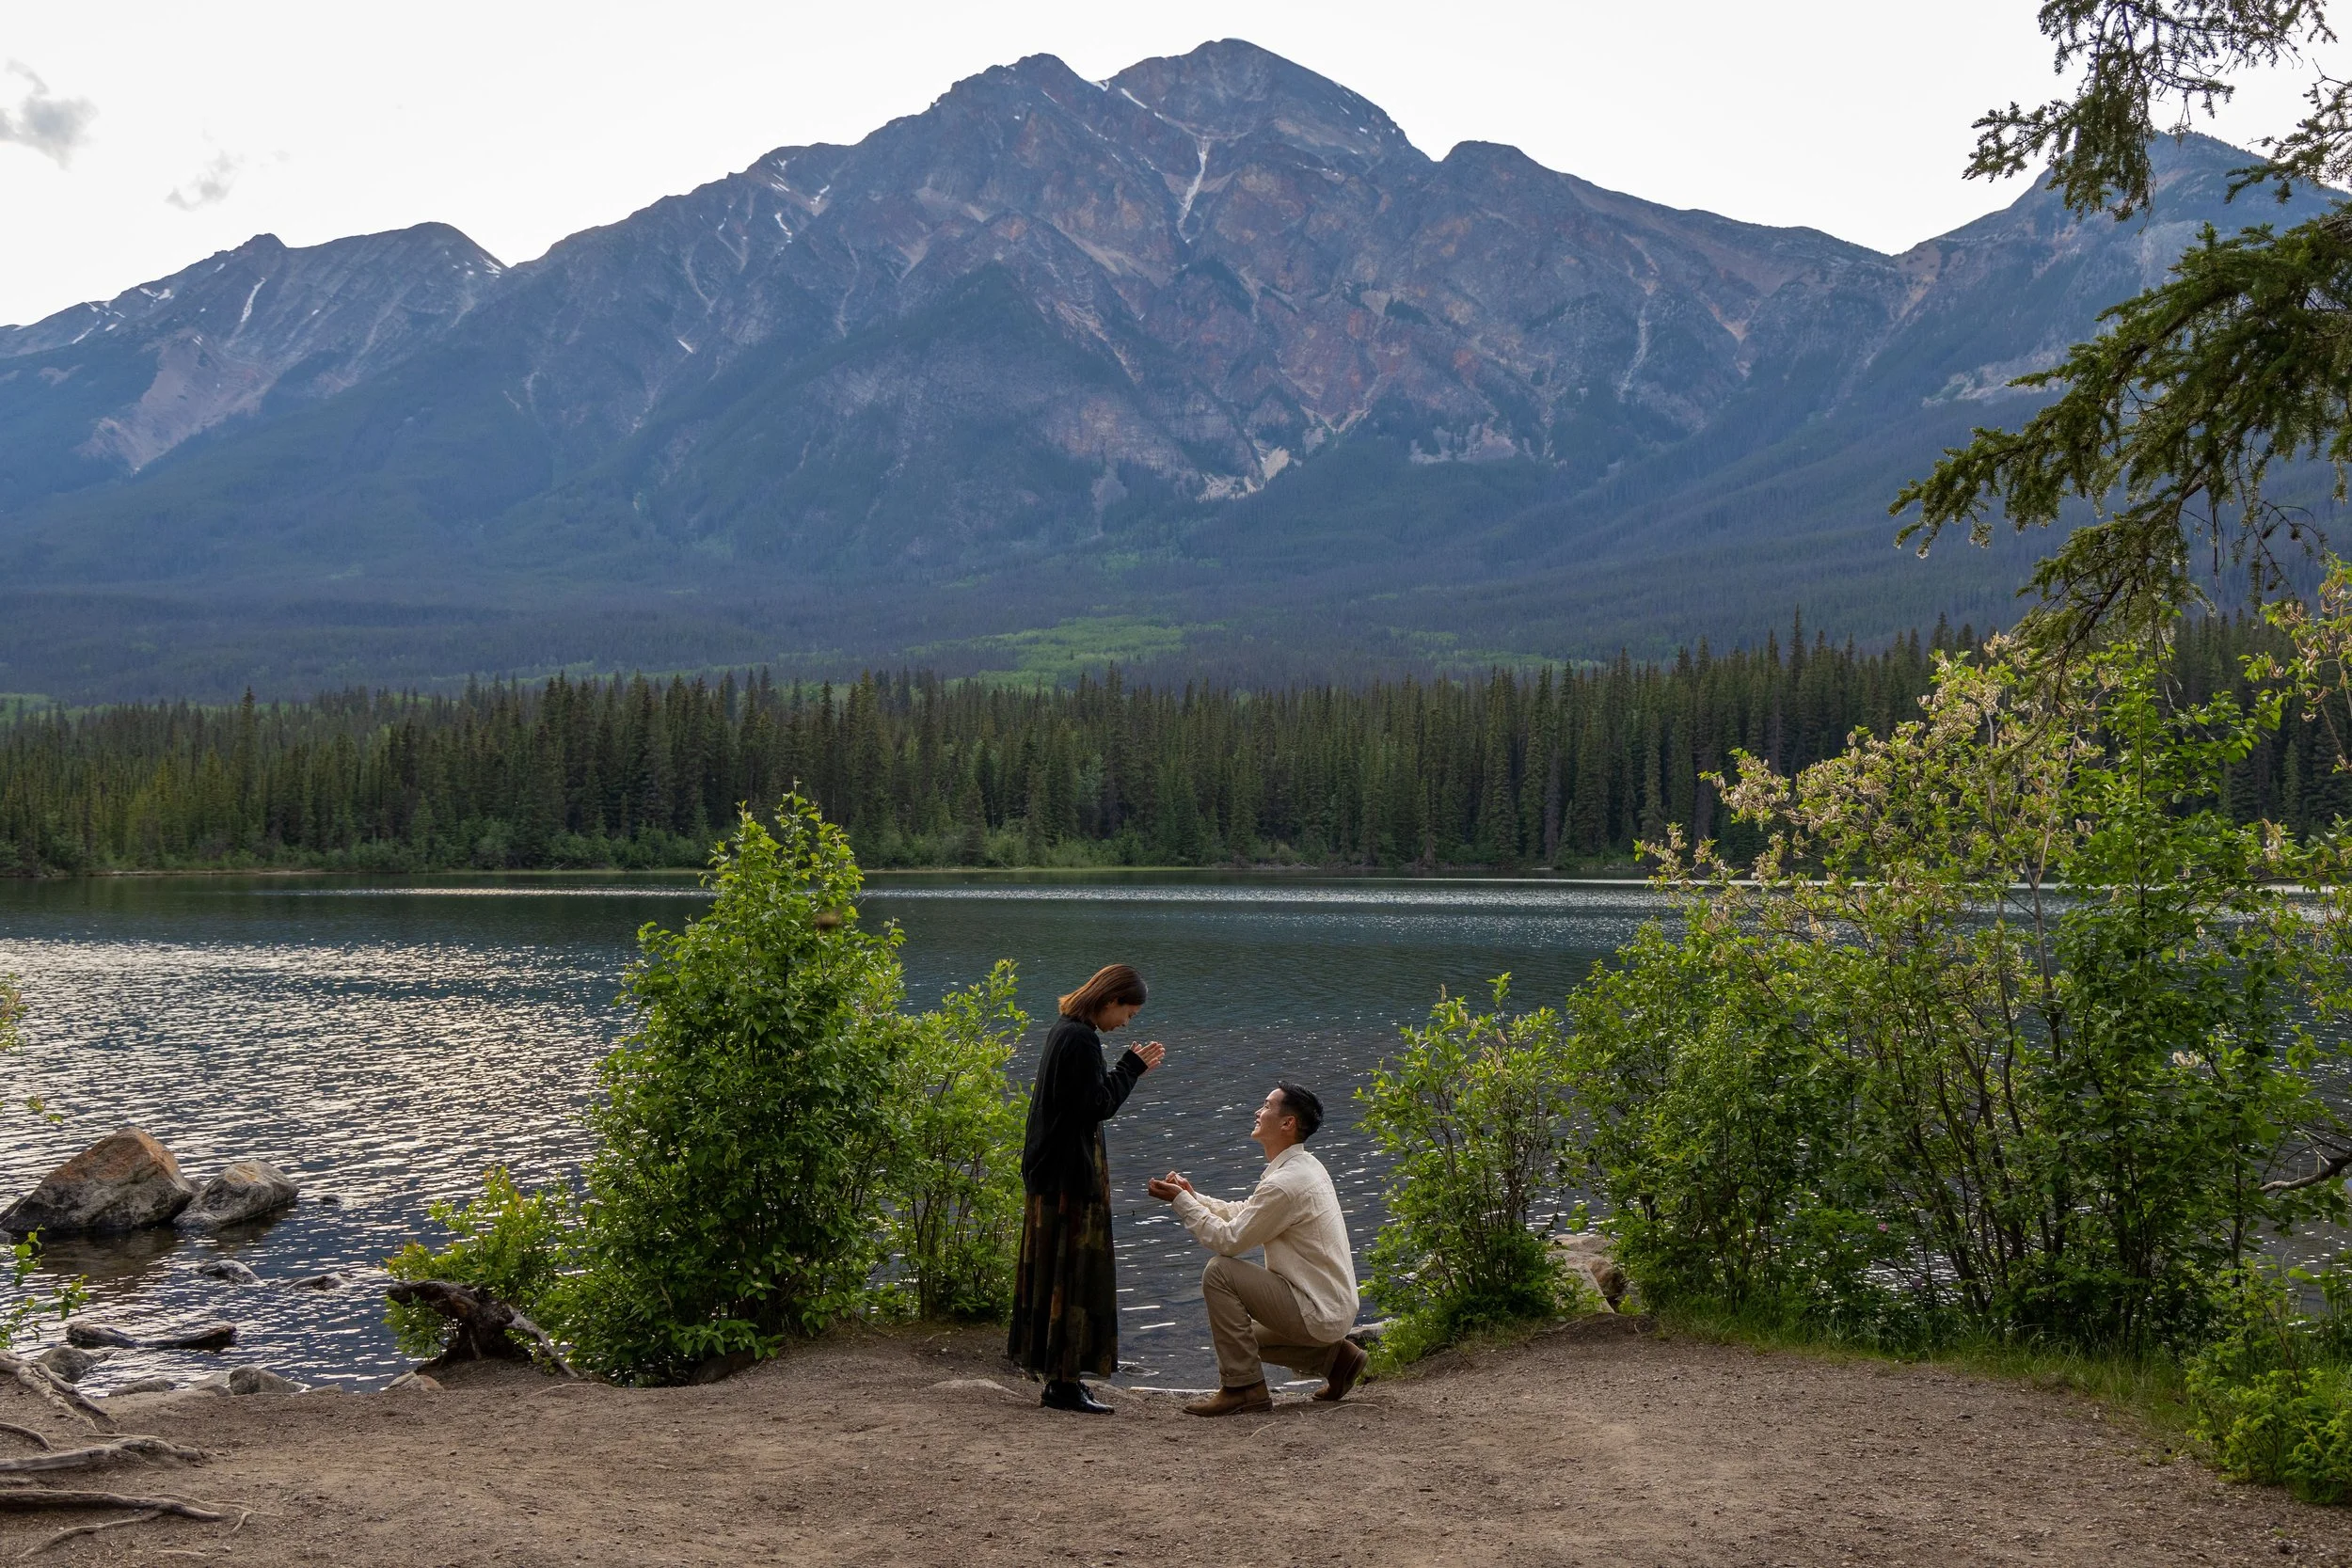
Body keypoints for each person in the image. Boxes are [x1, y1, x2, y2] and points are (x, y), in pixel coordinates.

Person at [1148, 1081, 1364, 1417]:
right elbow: (1248, 1212)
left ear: (1287, 1123)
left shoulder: (1286, 1183)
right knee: (1242, 1338)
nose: (1257, 1111)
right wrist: (1195, 1198)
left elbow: (1229, 1241)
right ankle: (1338, 1360)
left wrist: (1181, 1203)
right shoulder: (1304, 1167)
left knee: (1220, 1271)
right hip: (1331, 1305)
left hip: (1317, 1310)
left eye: (1265, 1105)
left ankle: (1244, 1389)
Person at [1009, 962, 1166, 1415]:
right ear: (1111, 1000)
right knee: (1072, 1275)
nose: (1126, 1023)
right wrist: (1131, 1068)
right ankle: (1062, 1383)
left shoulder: (1066, 1030)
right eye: (1128, 1014)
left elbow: (1079, 1104)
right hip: (1067, 1179)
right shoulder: (1079, 1039)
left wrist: (1124, 1069)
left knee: (1057, 1273)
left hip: (1053, 1170)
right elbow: (1096, 1105)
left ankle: (1061, 1376)